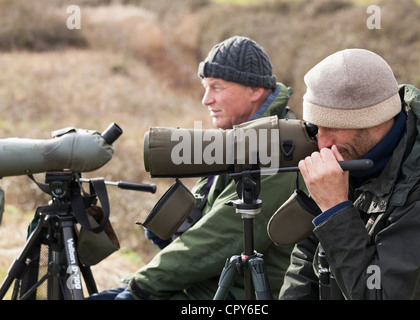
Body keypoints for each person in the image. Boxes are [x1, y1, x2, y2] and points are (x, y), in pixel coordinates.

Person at [89, 36, 303, 300]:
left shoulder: (280, 148)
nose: (206, 99)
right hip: (206, 282)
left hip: (235, 293)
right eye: (205, 87)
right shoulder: (239, 139)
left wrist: (141, 287)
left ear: (255, 91)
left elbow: (218, 239)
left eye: (217, 87)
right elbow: (202, 221)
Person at [279, 48, 420, 300]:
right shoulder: (347, 155)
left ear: (377, 121)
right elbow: (305, 262)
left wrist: (335, 210)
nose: (322, 144)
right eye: (316, 128)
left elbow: (380, 294)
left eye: (333, 127)